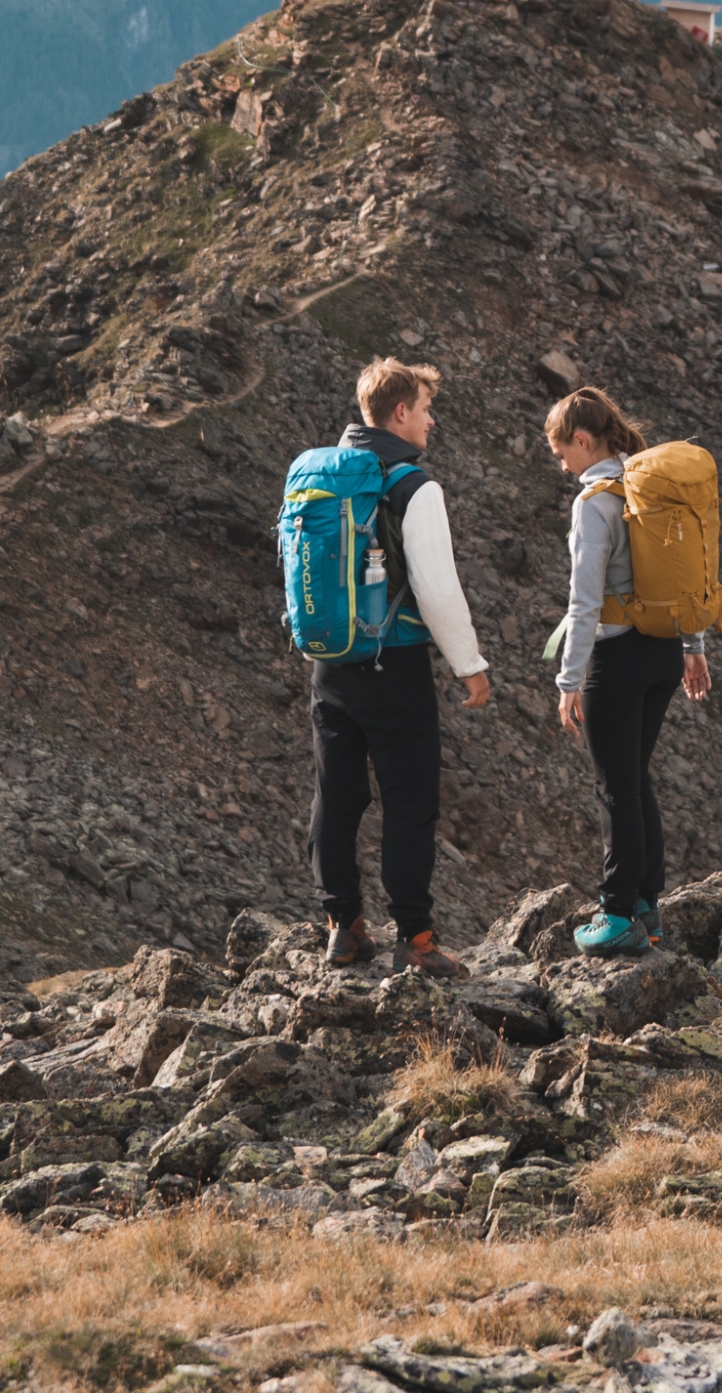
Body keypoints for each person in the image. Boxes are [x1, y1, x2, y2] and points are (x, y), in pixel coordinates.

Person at [310, 356, 490, 977]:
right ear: (400, 413)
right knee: (409, 800)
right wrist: (470, 664)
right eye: (425, 408)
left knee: (337, 793)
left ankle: (342, 926)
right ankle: (415, 938)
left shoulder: (325, 473)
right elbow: (439, 590)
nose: (432, 421)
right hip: (395, 663)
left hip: (330, 661)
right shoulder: (413, 485)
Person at [548, 387, 712, 956]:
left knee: (615, 787)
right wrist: (694, 644)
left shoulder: (594, 502)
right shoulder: (650, 490)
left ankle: (616, 914)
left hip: (614, 660)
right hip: (664, 653)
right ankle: (647, 906)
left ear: (583, 440)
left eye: (561, 448)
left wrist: (569, 682)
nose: (559, 460)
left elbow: (583, 603)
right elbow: (683, 573)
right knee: (636, 779)